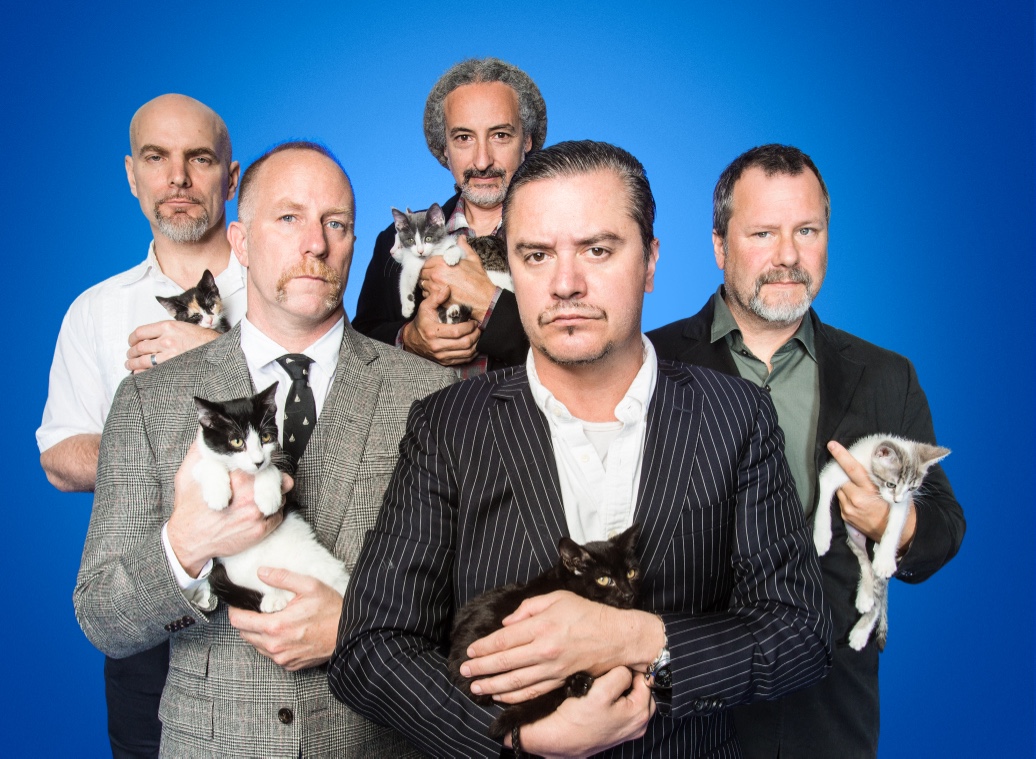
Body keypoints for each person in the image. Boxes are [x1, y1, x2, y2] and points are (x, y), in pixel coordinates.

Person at [331, 140, 832, 757]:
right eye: (536, 255)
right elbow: (370, 648)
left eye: (597, 250)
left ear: (650, 262)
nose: (565, 284)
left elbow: (799, 632)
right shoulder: (448, 425)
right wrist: (518, 736)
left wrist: (632, 638)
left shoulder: (735, 416)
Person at [73, 141, 454, 757]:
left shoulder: (433, 395)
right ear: (241, 242)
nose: (316, 243)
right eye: (289, 217)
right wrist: (185, 546)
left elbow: (474, 600)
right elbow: (102, 618)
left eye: (336, 223)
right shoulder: (150, 400)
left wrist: (354, 628)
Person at [647, 144, 965, 758]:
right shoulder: (649, 364)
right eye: (763, 233)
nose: (788, 255)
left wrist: (891, 524)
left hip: (829, 713)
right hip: (682, 708)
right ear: (720, 246)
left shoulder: (886, 375)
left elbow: (945, 529)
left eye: (807, 231)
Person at [38, 93, 246, 758]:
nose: (177, 178)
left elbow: (332, 424)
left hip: (275, 602)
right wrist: (171, 458)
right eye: (157, 158)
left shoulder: (287, 290)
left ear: (231, 179)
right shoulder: (95, 311)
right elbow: (60, 455)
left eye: (199, 159)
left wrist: (217, 354)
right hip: (150, 608)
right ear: (132, 175)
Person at [352, 56, 547, 375]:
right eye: (464, 138)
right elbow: (358, 345)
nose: (482, 161)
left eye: (500, 135)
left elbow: (591, 350)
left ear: (526, 140)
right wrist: (408, 339)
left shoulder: (565, 234)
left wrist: (491, 305)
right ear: (444, 148)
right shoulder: (395, 239)